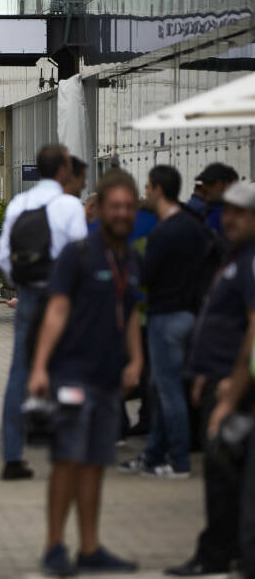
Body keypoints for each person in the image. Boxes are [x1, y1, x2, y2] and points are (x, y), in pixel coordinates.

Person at [27, 169, 144, 577]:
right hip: (72, 375)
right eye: (115, 206)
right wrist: (40, 366)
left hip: (109, 378)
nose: (122, 213)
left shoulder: (130, 258)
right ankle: (55, 545)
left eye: (129, 206)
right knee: (68, 460)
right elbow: (57, 311)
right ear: (100, 210)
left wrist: (136, 359)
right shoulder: (78, 254)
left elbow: (128, 313)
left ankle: (90, 547)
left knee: (96, 463)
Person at [166, 181, 255, 577]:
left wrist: (231, 393)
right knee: (219, 476)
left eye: (240, 212)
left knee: (226, 478)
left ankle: (223, 554)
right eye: (227, 210)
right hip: (217, 378)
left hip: (235, 387)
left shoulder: (251, 262)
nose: (229, 218)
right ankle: (222, 550)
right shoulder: (235, 257)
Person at [0, 144, 87, 481]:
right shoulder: (70, 205)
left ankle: (12, 455)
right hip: (62, 298)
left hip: (29, 295)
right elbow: (80, 254)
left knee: (19, 371)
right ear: (64, 170)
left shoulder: (20, 203)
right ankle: (68, 449)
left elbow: (4, 256)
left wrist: (20, 285)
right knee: (66, 368)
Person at [119, 166, 209, 478]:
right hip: (190, 315)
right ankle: (153, 454)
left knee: (168, 392)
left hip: (164, 316)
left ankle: (180, 461)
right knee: (162, 388)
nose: (145, 192)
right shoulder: (194, 226)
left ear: (157, 189)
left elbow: (145, 278)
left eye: (147, 186)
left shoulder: (160, 233)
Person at [187, 162, 238, 235]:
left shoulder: (238, 214)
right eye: (204, 183)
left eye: (210, 183)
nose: (205, 188)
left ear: (226, 184)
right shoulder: (203, 211)